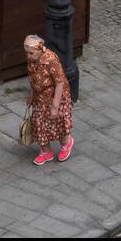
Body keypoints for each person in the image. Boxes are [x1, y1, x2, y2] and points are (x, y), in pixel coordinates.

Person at [23, 34, 73, 166]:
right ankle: (46, 151)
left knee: (59, 123)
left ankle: (66, 144)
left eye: (31, 53)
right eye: (27, 53)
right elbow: (33, 79)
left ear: (40, 50)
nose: (28, 56)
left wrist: (55, 106)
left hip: (56, 98)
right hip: (40, 98)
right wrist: (31, 96)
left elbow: (60, 82)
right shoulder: (32, 59)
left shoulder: (51, 59)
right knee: (39, 124)